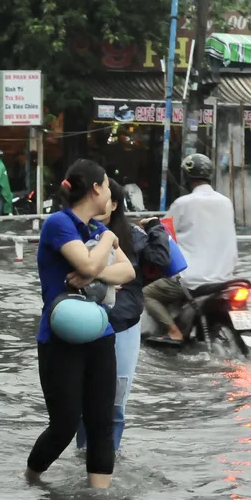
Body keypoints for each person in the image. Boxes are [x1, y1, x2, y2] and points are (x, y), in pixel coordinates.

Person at [28, 159, 134, 490]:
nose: (110, 194)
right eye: (107, 185)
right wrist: (107, 244)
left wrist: (95, 271)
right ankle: (30, 480)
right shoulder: (59, 224)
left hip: (100, 333)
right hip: (60, 335)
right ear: (96, 189)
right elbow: (85, 260)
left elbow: (127, 272)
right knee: (65, 423)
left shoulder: (97, 230)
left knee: (101, 422)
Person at [74, 183, 171, 452]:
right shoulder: (73, 233)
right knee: (84, 404)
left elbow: (160, 261)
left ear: (114, 204)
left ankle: (108, 459)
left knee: (116, 405)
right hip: (83, 325)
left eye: (104, 197)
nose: (98, 202)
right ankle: (84, 458)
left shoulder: (131, 236)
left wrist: (156, 229)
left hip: (123, 326)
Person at [143, 153, 237, 341]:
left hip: (191, 279)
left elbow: (163, 233)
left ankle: (173, 331)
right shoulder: (226, 202)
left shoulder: (182, 203)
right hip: (224, 278)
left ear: (187, 177)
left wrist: (148, 227)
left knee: (147, 294)